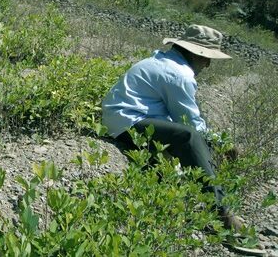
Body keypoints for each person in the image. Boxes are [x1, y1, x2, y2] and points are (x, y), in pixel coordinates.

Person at [101, 24, 243, 231]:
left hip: (123, 120)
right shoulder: (179, 75)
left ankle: (199, 197)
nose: (208, 65)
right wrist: (222, 144)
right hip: (129, 123)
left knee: (193, 141)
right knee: (189, 137)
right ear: (197, 54)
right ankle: (222, 211)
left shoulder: (162, 61)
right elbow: (190, 123)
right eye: (207, 58)